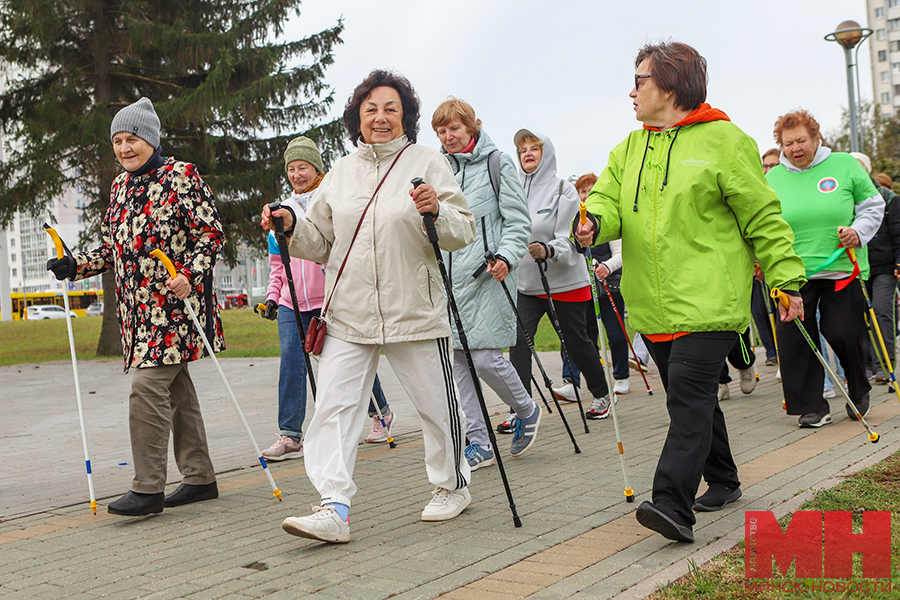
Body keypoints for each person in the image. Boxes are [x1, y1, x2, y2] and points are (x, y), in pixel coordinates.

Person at [574, 42, 805, 543]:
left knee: (686, 400)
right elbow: (607, 205)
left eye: (640, 80)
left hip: (709, 299)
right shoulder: (628, 149)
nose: (631, 90)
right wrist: (590, 223)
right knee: (696, 401)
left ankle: (672, 504)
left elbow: (763, 216)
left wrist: (786, 280)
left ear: (671, 85)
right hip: (653, 305)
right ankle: (724, 478)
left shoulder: (725, 140)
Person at [262, 70, 475, 544]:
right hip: (349, 312)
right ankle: (333, 505)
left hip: (413, 310)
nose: (380, 117)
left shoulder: (427, 161)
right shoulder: (340, 171)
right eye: (371, 109)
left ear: (406, 116)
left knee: (437, 408)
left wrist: (436, 211)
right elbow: (319, 241)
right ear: (357, 117)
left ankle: (452, 484)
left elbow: (463, 230)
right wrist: (289, 223)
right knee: (333, 410)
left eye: (391, 109)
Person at [47, 97, 223, 516]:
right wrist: (76, 265)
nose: (125, 148)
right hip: (137, 317)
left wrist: (189, 274)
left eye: (133, 139)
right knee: (177, 392)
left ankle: (147, 488)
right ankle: (199, 478)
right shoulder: (120, 186)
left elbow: (211, 235)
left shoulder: (181, 176)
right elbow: (111, 249)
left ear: (151, 139)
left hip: (176, 310)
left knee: (146, 389)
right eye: (118, 142)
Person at [258, 137, 394, 460]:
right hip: (292, 302)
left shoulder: (332, 198)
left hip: (328, 300)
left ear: (316, 168)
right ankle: (290, 434)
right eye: (291, 168)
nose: (296, 174)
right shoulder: (282, 211)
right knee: (291, 363)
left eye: (302, 167)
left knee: (344, 360)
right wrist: (273, 299)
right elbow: (278, 268)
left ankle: (381, 412)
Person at [430, 97, 538, 471]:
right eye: (442, 132)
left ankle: (527, 409)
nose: (448, 137)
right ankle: (480, 442)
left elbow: (518, 222)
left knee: (486, 358)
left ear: (471, 126)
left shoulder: (497, 163)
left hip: (488, 275)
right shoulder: (437, 169)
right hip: (448, 282)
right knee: (459, 363)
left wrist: (506, 257)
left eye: (454, 129)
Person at [766, 110, 882, 427]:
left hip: (840, 269)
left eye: (801, 140)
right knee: (796, 340)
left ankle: (858, 388)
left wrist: (858, 231)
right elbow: (761, 223)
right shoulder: (772, 179)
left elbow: (873, 204)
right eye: (788, 143)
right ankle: (812, 407)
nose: (795, 148)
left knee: (843, 332)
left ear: (817, 138)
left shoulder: (844, 165)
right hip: (792, 273)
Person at [509, 129, 612, 421]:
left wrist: (549, 250)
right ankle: (521, 408)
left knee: (576, 342)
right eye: (522, 150)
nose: (527, 153)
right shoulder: (513, 189)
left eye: (534, 148)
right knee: (517, 344)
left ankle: (602, 392)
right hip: (527, 285)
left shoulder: (562, 189)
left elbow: (569, 241)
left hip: (564, 283)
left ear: (547, 153)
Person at [556, 173, 632, 397]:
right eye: (582, 191)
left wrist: (606, 266)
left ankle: (621, 375)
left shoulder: (604, 219)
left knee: (616, 334)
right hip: (583, 287)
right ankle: (572, 381)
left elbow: (620, 253)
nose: (586, 195)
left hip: (609, 285)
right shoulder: (573, 222)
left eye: (590, 191)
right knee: (580, 336)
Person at [850, 154, 900, 385]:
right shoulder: (845, 197)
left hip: (884, 267)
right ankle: (867, 365)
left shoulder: (889, 198)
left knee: (880, 311)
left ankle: (885, 364)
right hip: (857, 267)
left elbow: (898, 234)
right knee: (859, 317)